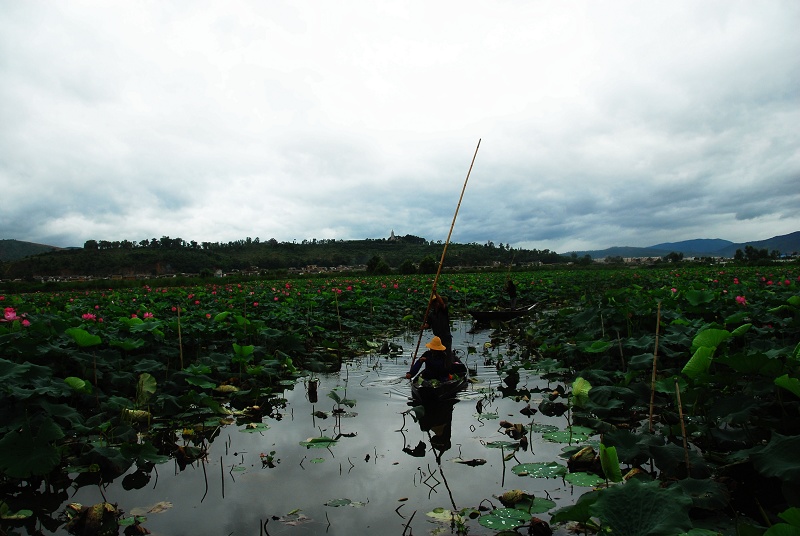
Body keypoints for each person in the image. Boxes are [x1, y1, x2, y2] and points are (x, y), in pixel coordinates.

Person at [424, 292, 452, 359]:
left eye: (436, 302)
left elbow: (442, 304)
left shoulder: (443, 311)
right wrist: (423, 326)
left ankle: (447, 367)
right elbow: (427, 325)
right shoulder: (431, 314)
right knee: (437, 354)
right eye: (434, 302)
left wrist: (435, 292)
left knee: (446, 354)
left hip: (445, 336)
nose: (436, 304)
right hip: (437, 338)